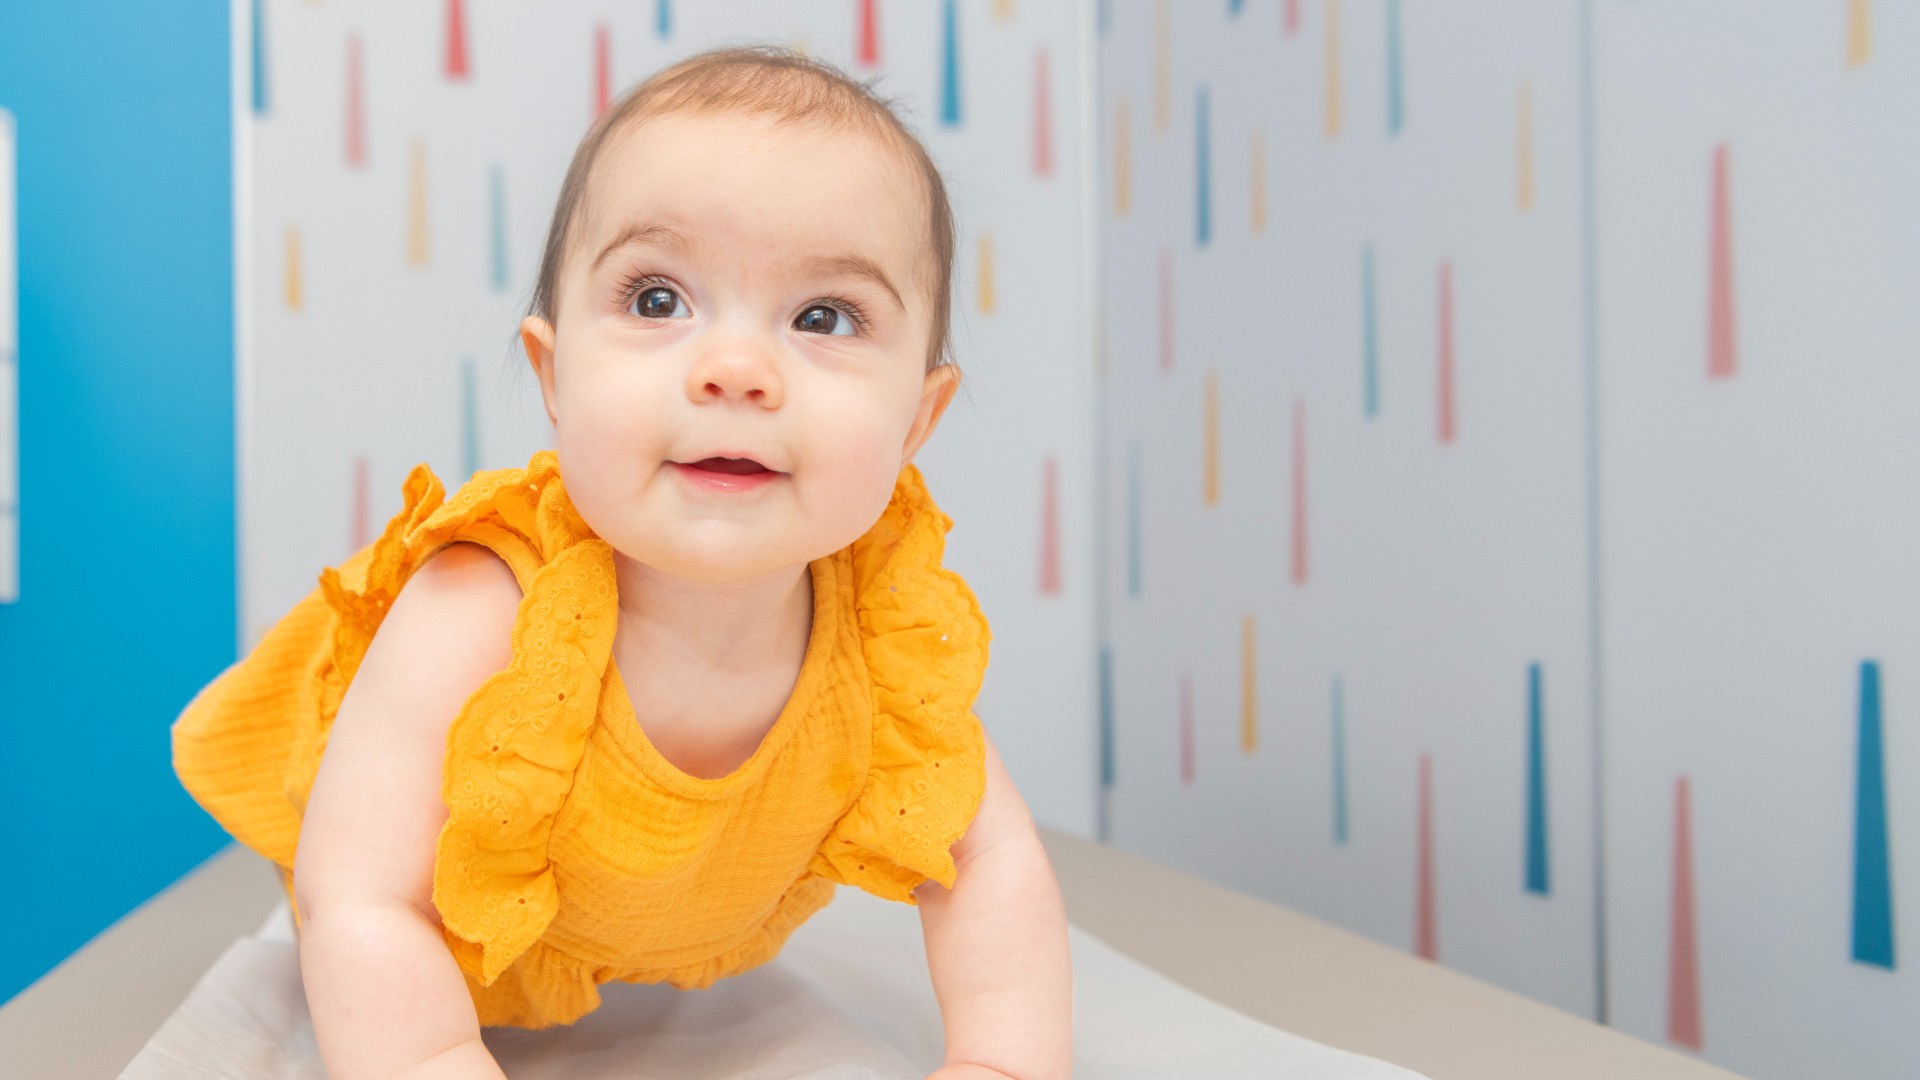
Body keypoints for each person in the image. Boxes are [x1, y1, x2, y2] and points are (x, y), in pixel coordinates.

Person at [172, 44, 1071, 1080]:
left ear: (918, 419)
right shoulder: (488, 602)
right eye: (657, 300)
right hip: (437, 941)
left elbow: (987, 860)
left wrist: (1004, 1063)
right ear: (554, 378)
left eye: (823, 317)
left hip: (651, 938)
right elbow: (362, 891)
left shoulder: (884, 636)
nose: (735, 371)